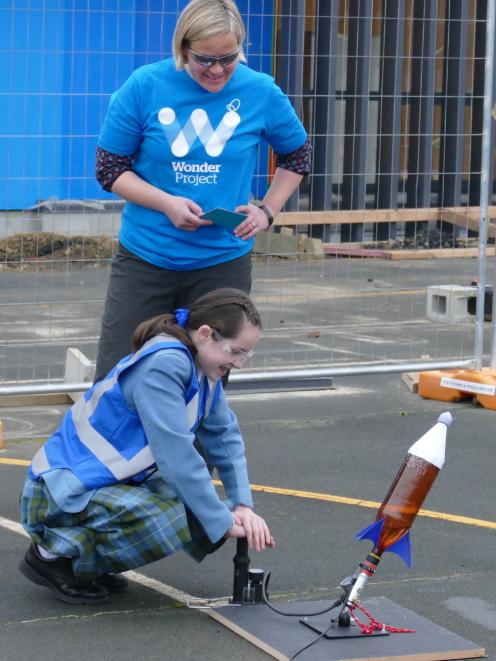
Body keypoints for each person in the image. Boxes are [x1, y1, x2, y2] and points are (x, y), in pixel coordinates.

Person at [94, 0, 311, 382]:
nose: (217, 70)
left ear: (241, 46)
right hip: (146, 257)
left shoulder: (261, 91)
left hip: (221, 263)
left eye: (228, 58)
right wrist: (165, 203)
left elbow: (298, 155)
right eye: (204, 59)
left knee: (206, 380)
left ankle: (193, 445)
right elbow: (110, 170)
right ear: (182, 48)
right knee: (120, 375)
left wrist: (267, 210)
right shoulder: (145, 86)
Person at [19, 288, 274, 604]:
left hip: (101, 483)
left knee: (198, 510)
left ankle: (84, 563)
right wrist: (221, 521)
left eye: (245, 355)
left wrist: (242, 505)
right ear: (206, 334)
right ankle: (52, 557)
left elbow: (225, 438)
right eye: (236, 352)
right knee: (171, 518)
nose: (240, 363)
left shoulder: (203, 366)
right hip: (59, 491)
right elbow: (176, 455)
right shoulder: (163, 365)